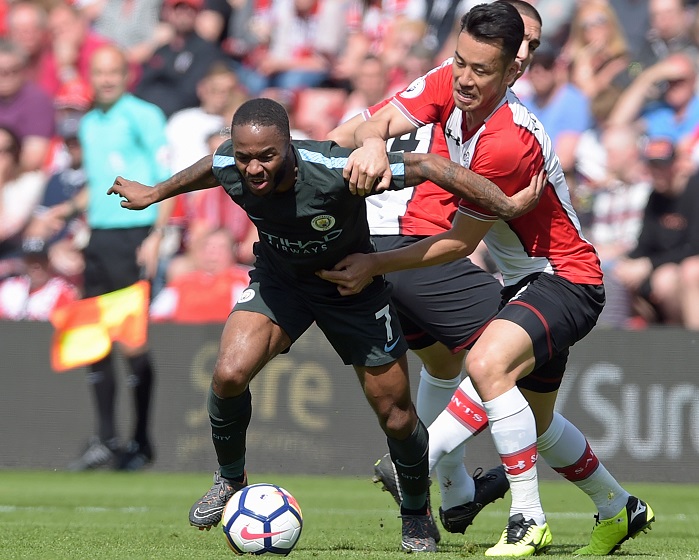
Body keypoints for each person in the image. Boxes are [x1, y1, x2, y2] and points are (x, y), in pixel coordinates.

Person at [106, 97, 542, 553]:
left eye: (266, 156)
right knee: (229, 373)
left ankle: (415, 515)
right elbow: (210, 166)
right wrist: (154, 192)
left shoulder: (333, 168)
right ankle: (230, 479)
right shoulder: (229, 164)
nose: (253, 169)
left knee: (396, 416)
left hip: (351, 287)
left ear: (289, 148)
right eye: (244, 156)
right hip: (282, 283)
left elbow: (430, 165)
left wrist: (506, 204)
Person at [318, 2, 656, 556]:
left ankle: (526, 517)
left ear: (511, 73)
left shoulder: (507, 140)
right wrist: (375, 139)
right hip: (526, 281)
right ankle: (620, 508)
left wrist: (373, 265)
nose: (465, 79)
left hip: (566, 279)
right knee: (538, 424)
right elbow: (373, 122)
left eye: (481, 70)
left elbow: (459, 245)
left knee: (486, 363)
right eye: (460, 62)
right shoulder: (448, 83)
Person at [327, 0, 544, 541]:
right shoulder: (463, 88)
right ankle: (416, 469)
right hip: (412, 247)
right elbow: (360, 130)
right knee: (521, 361)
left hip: (393, 251)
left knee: (446, 369)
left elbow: (348, 131)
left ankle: (454, 496)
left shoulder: (485, 101)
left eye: (535, 46)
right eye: (522, 41)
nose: (526, 54)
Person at [52, 44, 173, 472]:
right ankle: (106, 439)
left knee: (131, 339)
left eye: (113, 72)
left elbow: (165, 178)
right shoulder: (87, 123)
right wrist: (62, 213)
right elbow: (101, 182)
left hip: (132, 234)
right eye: (98, 72)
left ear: (127, 75)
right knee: (93, 341)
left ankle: (140, 441)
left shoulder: (143, 116)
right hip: (99, 239)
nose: (106, 79)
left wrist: (158, 234)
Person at [613, 136, 699, 329]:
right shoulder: (655, 197)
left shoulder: (695, 190)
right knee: (618, 273)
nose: (657, 173)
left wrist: (649, 264)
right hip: (663, 270)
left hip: (684, 271)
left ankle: (690, 344)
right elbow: (644, 244)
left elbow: (694, 247)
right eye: (653, 166)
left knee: (672, 277)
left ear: (677, 165)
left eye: (662, 166)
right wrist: (626, 263)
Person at [134, 0, 227, 118]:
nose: (184, 14)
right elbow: (142, 84)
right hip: (148, 113)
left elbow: (189, 95)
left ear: (198, 14)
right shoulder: (162, 49)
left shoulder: (206, 51)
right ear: (168, 12)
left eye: (190, 10)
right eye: (179, 8)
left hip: (182, 117)